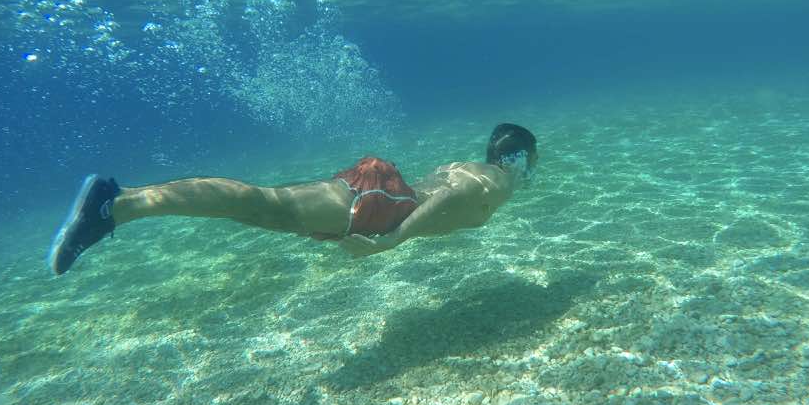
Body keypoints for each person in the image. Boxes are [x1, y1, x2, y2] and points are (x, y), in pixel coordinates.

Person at [48, 123, 538, 275]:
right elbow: (452, 196)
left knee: (265, 209)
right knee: (262, 205)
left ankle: (122, 205)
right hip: (385, 208)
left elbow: (440, 186)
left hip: (381, 199)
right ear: (517, 158)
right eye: (528, 160)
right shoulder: (495, 179)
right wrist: (393, 240)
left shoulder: (472, 165)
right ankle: (118, 204)